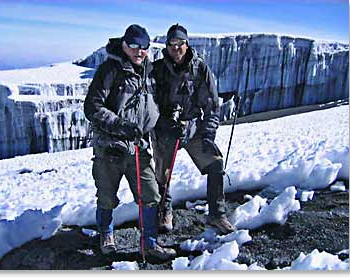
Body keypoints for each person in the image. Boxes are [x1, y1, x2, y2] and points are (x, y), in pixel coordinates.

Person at [84, 24, 176, 261]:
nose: (139, 51)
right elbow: (92, 106)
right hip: (111, 148)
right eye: (133, 45)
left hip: (138, 147)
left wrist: (170, 120)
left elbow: (155, 105)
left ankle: (150, 243)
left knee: (151, 195)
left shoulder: (149, 72)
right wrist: (120, 125)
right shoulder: (109, 69)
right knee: (107, 196)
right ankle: (106, 234)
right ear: (124, 44)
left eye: (144, 46)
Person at [152, 24, 236, 235]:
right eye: (171, 44)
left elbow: (211, 105)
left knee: (215, 163)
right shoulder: (157, 69)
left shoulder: (200, 69)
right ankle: (164, 209)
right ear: (167, 46)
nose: (176, 48)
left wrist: (208, 134)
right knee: (163, 172)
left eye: (180, 43)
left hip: (193, 128)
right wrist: (162, 122)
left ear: (186, 44)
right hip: (166, 129)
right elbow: (148, 103)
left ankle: (217, 214)